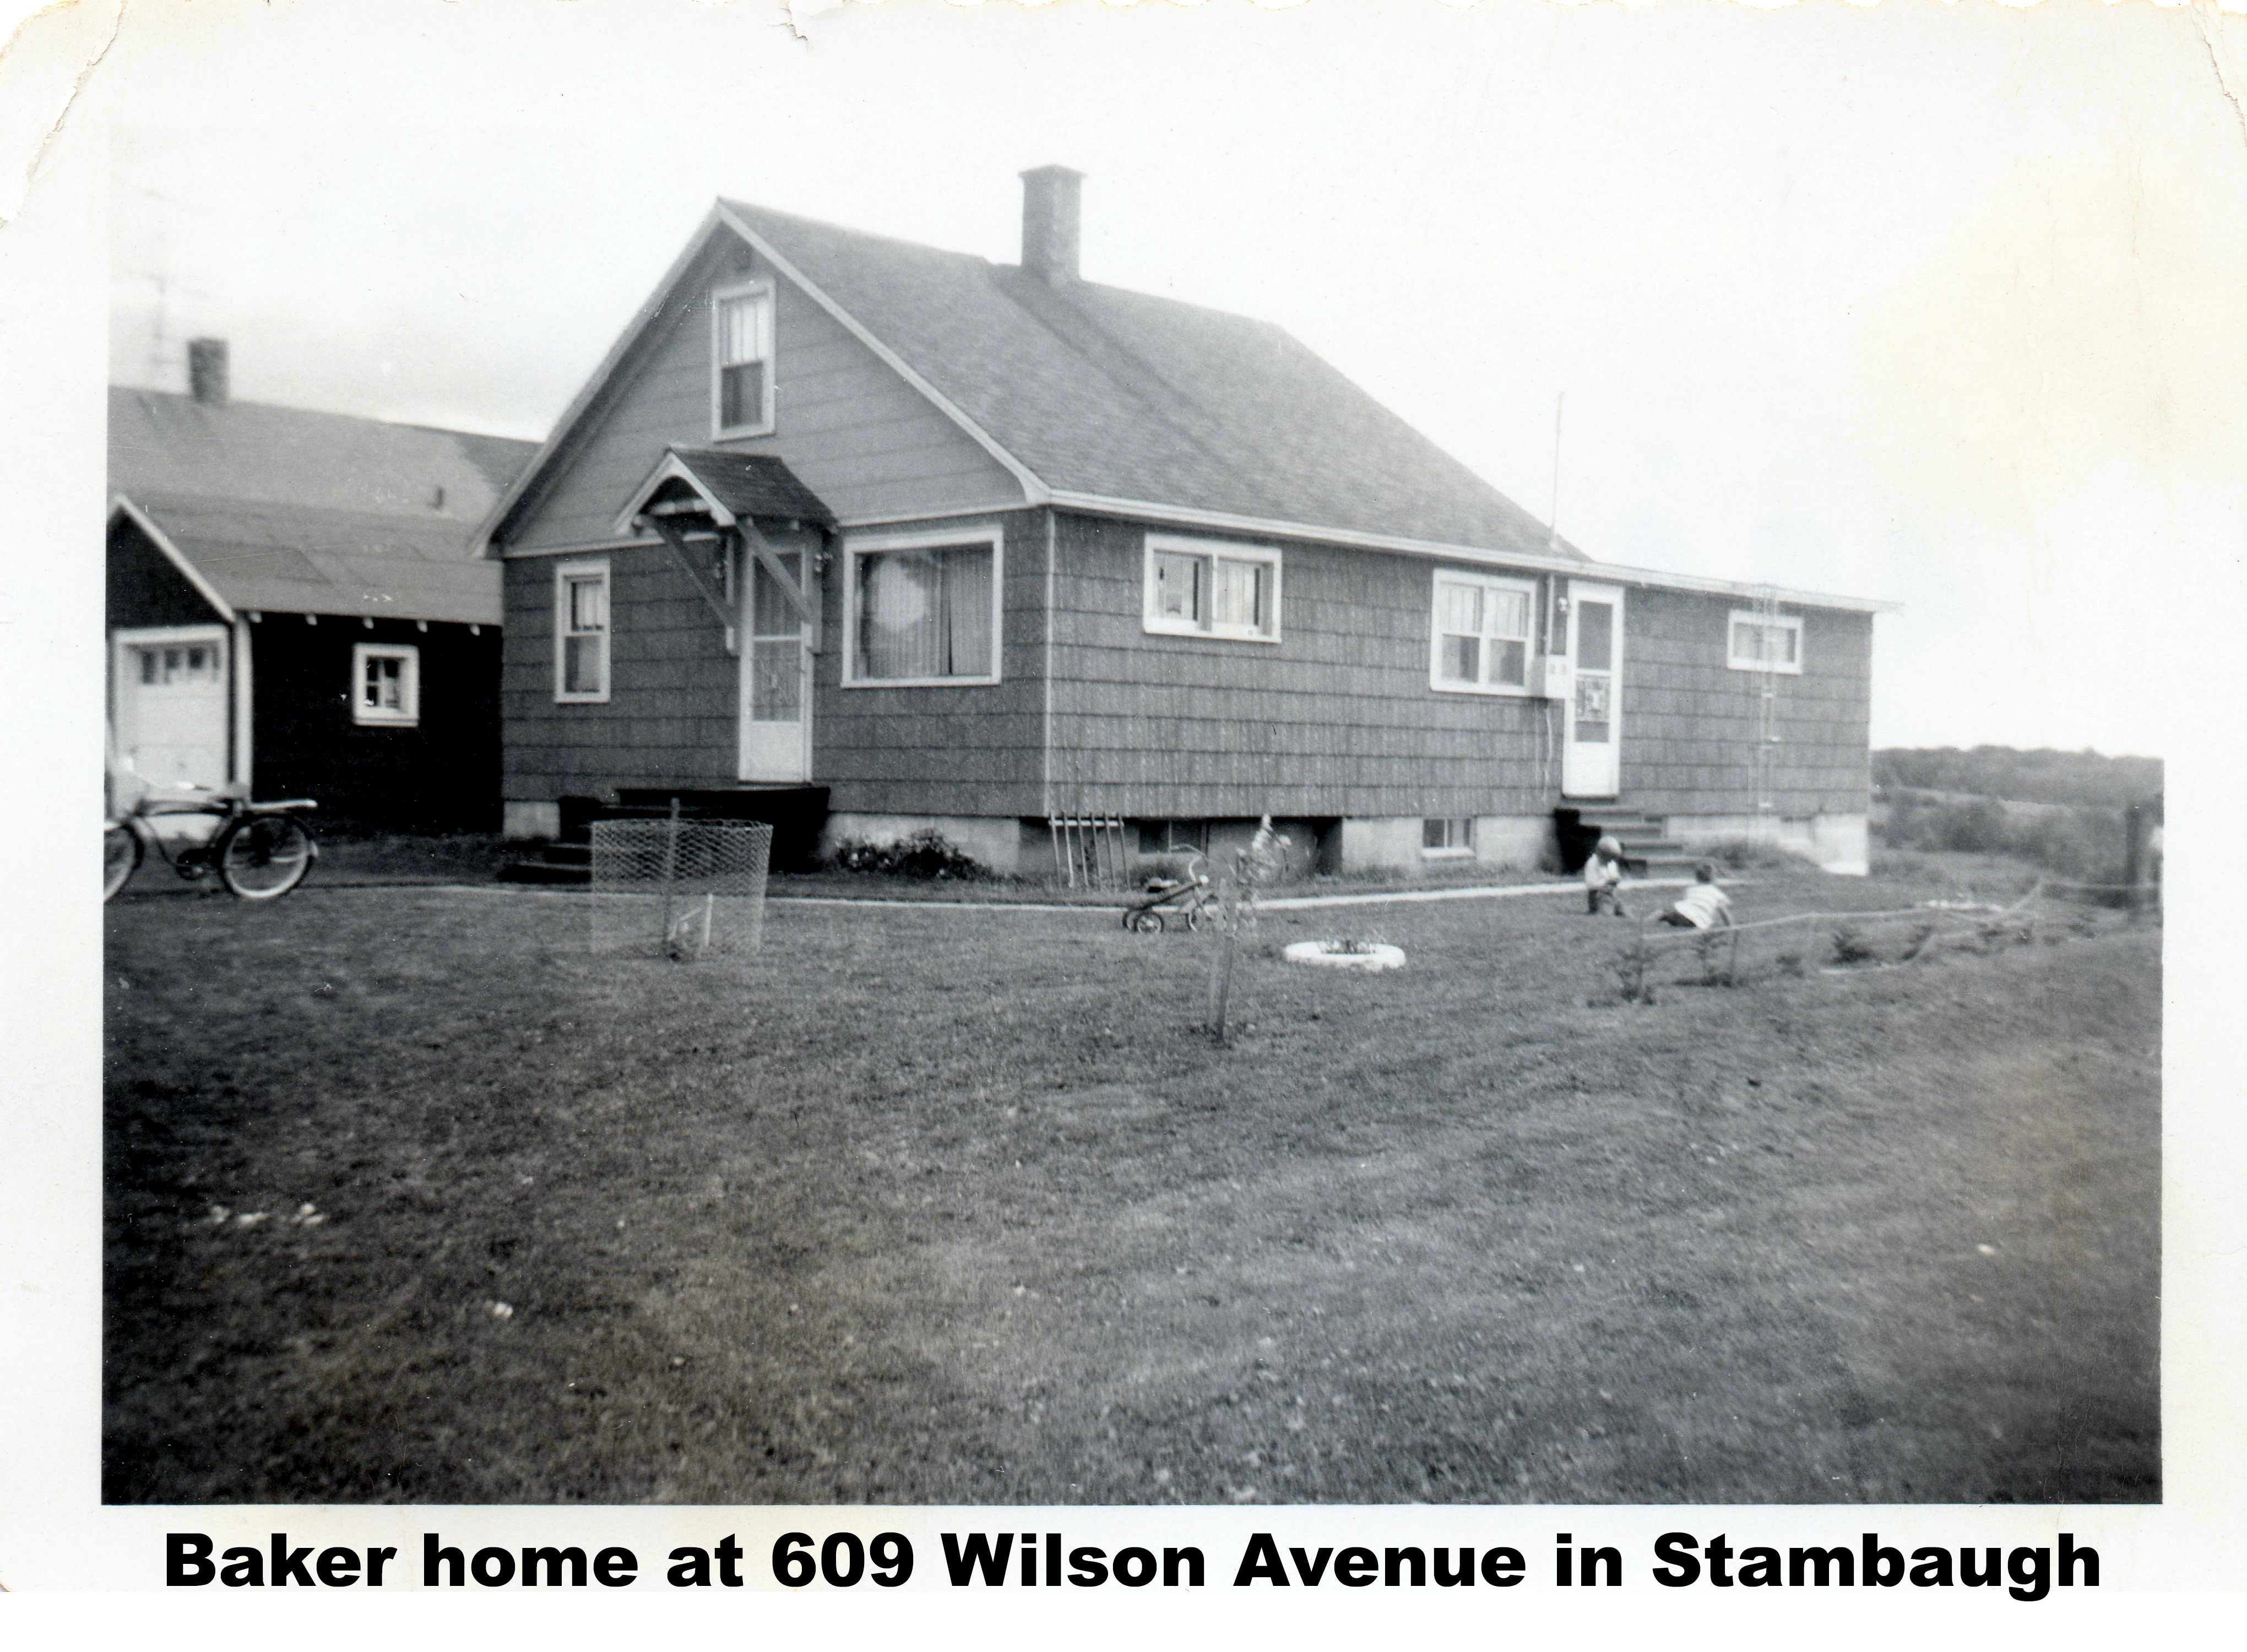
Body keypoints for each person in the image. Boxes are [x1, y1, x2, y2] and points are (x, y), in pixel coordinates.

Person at [1658, 861, 1734, 929]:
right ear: (1714, 878)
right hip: (1696, 920)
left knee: (1664, 914)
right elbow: (1725, 914)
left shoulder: (1691, 890)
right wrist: (1731, 926)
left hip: (1681, 914)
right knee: (1709, 923)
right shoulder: (1717, 894)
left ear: (1697, 879)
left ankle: (1656, 922)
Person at [1584, 834, 1628, 916]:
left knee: (1625, 913)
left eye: (1612, 859)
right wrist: (1606, 881)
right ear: (1601, 854)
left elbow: (1614, 876)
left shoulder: (1611, 863)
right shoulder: (1593, 863)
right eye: (1608, 859)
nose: (1610, 862)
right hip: (1598, 896)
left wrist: (1616, 879)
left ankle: (1657, 916)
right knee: (1607, 914)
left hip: (1612, 894)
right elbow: (1591, 885)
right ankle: (1599, 911)